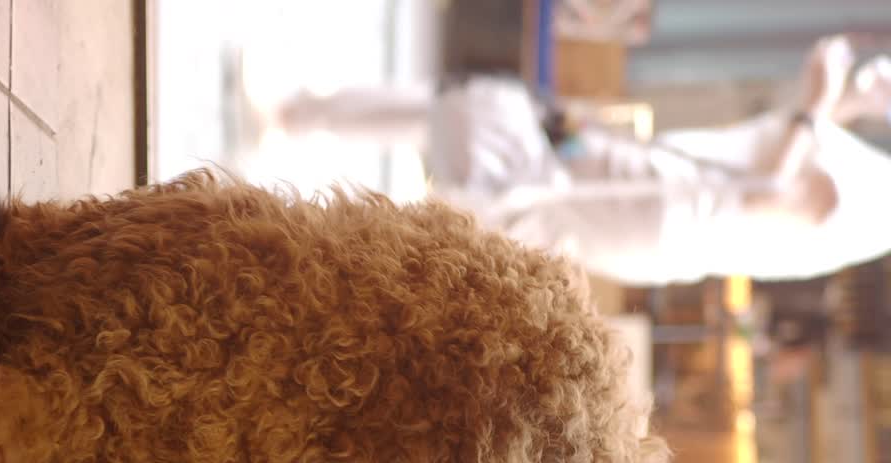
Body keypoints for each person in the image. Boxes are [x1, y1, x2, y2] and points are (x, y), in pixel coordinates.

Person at [273, 36, 891, 286]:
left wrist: (819, 99)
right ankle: (306, 114)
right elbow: (802, 157)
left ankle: (310, 179)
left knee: (486, 162)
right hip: (647, 180)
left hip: (655, 213)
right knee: (513, 114)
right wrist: (852, 104)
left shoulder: (879, 205)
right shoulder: (874, 177)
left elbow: (769, 197)